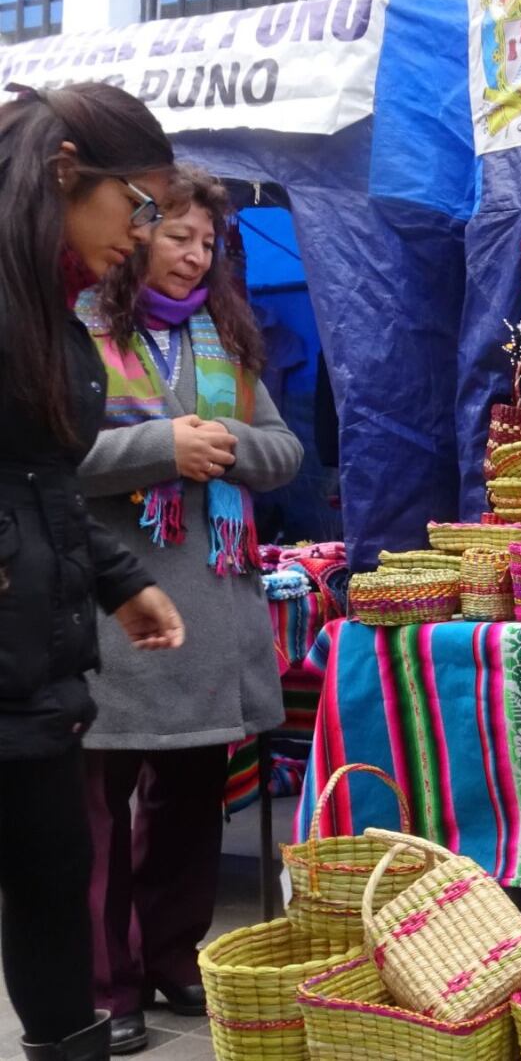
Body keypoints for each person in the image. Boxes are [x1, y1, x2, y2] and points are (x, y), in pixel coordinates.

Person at [75, 164, 302, 1055]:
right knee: (99, 807)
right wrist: (158, 446)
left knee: (189, 803)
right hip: (115, 610)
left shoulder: (228, 340)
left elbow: (283, 452)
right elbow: (51, 454)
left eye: (208, 243)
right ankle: (105, 984)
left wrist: (226, 444)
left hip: (211, 613)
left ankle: (174, 959)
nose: (196, 256)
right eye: (178, 236)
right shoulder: (78, 333)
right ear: (135, 236)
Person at [0, 82, 185, 1061]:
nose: (149, 232)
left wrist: (118, 578)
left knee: (50, 877)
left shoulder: (46, 306)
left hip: (35, 662)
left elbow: (39, 481)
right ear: (69, 169)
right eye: (142, 204)